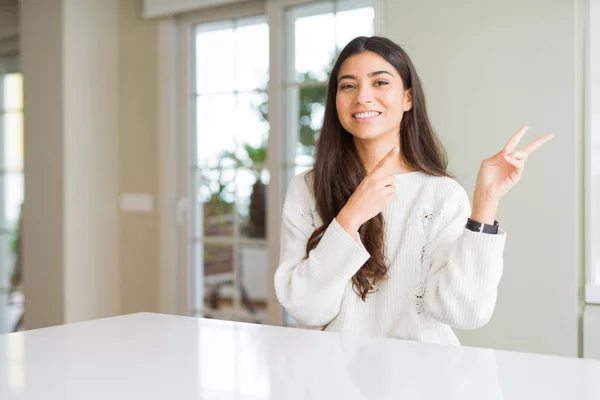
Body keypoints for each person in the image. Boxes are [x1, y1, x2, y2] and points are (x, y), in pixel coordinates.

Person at [273, 36, 552, 345]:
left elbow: (465, 312)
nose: (363, 97)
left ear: (408, 98)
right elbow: (305, 309)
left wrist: (486, 202)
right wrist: (351, 217)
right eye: (348, 86)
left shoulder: (442, 194)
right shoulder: (307, 189)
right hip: (333, 379)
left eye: (380, 83)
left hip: (426, 378)